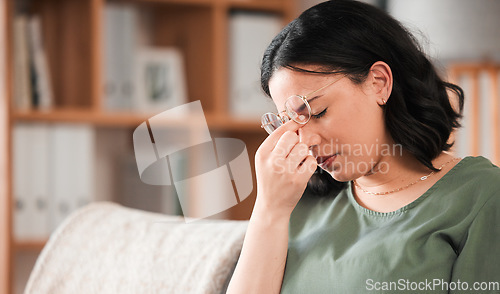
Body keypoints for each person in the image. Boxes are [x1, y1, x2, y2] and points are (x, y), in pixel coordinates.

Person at [226, 0, 500, 293]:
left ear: (379, 83)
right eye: (290, 123)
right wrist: (270, 208)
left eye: (317, 112)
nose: (305, 141)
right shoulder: (294, 201)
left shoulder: (481, 195)